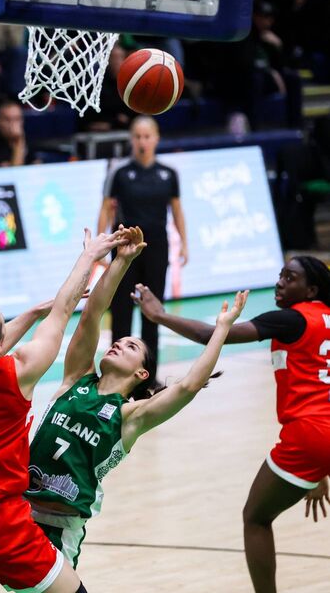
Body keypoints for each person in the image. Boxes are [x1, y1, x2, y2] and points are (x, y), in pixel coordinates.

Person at [25, 224, 248, 568]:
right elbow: (93, 314)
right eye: (119, 341)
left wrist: (221, 329)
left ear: (141, 374)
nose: (117, 343)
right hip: (15, 511)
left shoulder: (130, 417)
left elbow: (188, 386)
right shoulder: (75, 380)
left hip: (58, 531)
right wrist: (122, 261)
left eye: (131, 346)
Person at [0, 226, 127, 593]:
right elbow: (66, 309)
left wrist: (35, 311)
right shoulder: (15, 372)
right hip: (2, 526)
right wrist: (90, 256)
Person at [132, 255, 330, 593]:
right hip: (319, 437)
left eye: (290, 277)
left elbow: (216, 334)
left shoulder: (290, 320)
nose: (280, 282)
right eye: (280, 274)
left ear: (311, 288)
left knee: (256, 518)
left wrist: (159, 315)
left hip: (310, 435)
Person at [97, 115, 188, 384]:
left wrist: (184, 242)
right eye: (137, 136)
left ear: (156, 138)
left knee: (153, 312)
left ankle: (150, 376)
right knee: (122, 311)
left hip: (156, 246)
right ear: (131, 139)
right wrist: (101, 246)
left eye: (147, 136)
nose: (142, 141)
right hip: (126, 249)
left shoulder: (168, 174)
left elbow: (177, 210)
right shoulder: (120, 173)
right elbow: (105, 208)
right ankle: (116, 373)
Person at [0, 101, 36, 168]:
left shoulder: (27, 138)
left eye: (17, 119)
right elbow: (13, 173)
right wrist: (18, 142)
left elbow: (36, 163)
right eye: (7, 119)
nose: (12, 124)